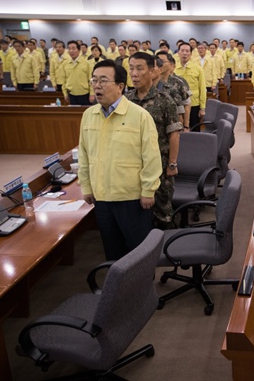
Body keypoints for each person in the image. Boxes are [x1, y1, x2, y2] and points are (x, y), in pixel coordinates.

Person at [78, 60, 162, 260]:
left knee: (138, 253)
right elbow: (84, 154)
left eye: (103, 81)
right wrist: (87, 187)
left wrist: (148, 191)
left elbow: (151, 157)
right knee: (112, 251)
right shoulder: (89, 115)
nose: (97, 85)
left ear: (120, 86)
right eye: (94, 80)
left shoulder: (139, 116)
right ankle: (119, 291)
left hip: (131, 198)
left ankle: (142, 291)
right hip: (102, 197)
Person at [125, 52, 182, 229]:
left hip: (160, 164)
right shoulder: (126, 101)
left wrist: (172, 164)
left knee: (162, 213)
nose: (134, 74)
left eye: (139, 69)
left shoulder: (164, 101)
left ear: (152, 71)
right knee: (136, 213)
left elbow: (174, 134)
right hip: (133, 165)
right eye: (131, 69)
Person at [174, 42, 206, 129]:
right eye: (182, 51)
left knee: (195, 129)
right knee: (179, 130)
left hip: (194, 104)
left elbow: (202, 89)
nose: (184, 53)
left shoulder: (198, 69)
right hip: (177, 104)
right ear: (178, 52)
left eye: (187, 51)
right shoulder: (173, 69)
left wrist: (202, 108)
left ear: (191, 54)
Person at [62, 40, 95, 105]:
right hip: (71, 94)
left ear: (79, 50)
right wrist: (65, 94)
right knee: (74, 114)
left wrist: (92, 94)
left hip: (85, 94)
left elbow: (91, 80)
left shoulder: (87, 63)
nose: (71, 51)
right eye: (69, 49)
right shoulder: (65, 64)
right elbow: (64, 80)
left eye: (73, 48)